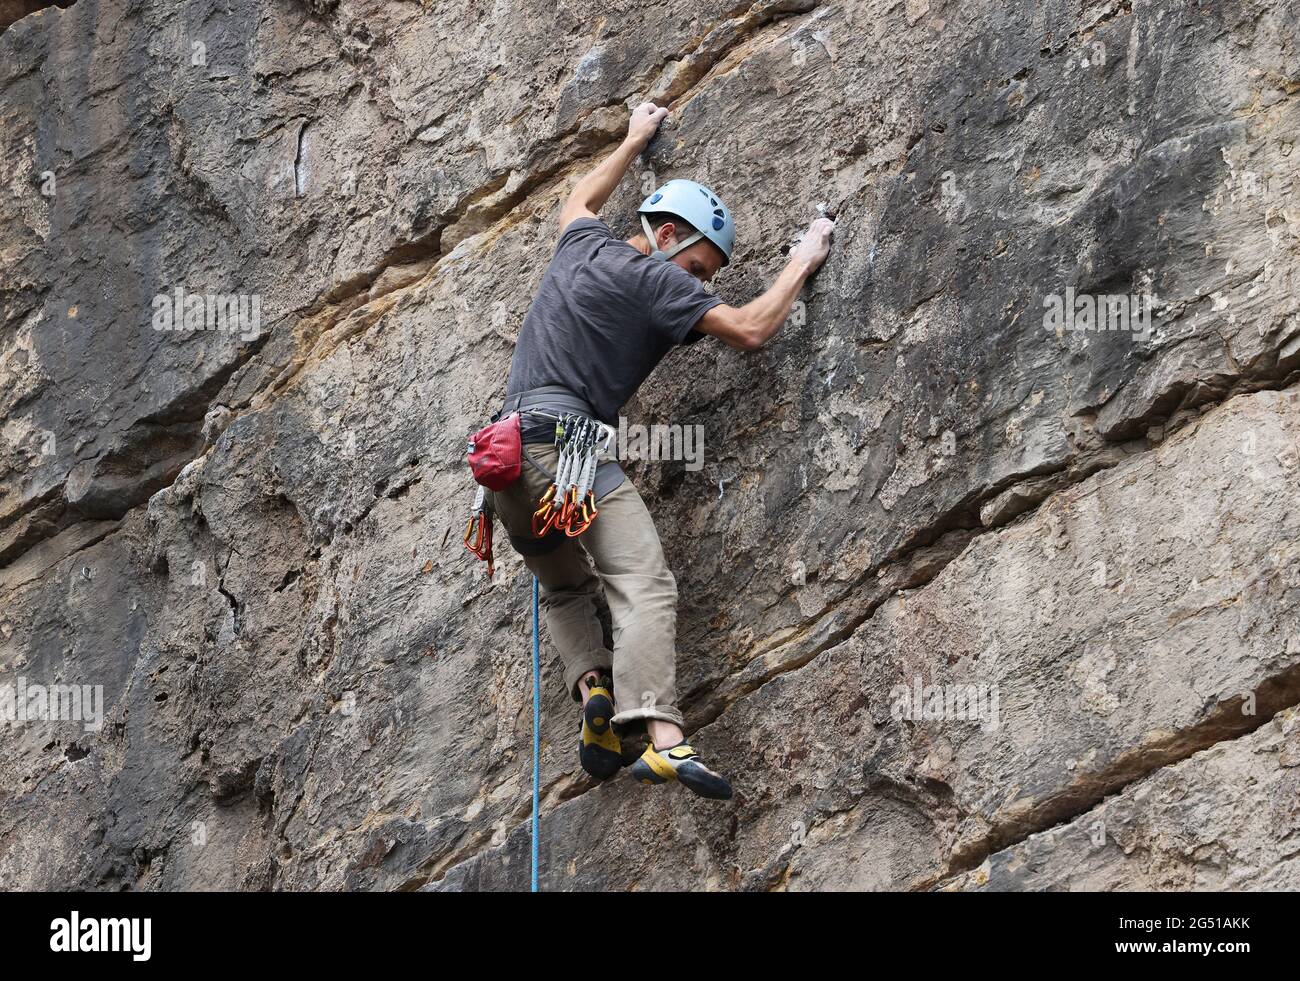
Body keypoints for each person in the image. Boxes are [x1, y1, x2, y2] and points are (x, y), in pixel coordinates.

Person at [487, 101, 835, 799]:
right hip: (568, 450)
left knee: (562, 584)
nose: (699, 282)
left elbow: (578, 198)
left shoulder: (580, 245)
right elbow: (749, 329)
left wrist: (633, 138)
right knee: (644, 583)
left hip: (503, 459)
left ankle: (593, 689)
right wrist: (803, 258)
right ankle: (662, 737)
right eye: (700, 265)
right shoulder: (655, 280)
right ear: (667, 233)